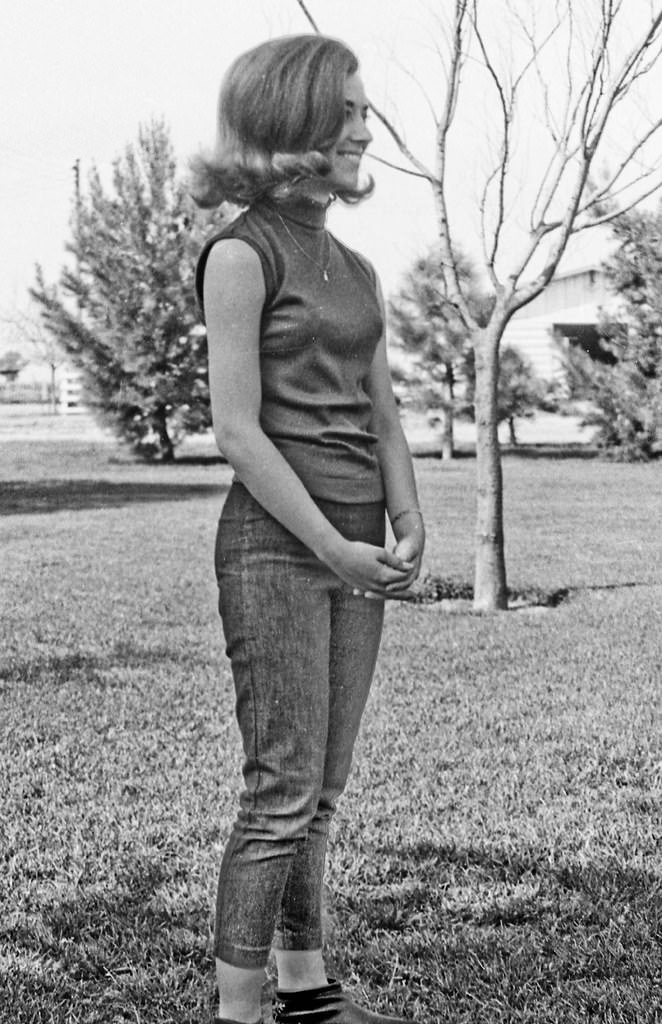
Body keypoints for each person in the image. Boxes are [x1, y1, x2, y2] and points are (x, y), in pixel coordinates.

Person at [191, 34, 425, 1024]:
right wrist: (331, 544)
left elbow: (382, 412)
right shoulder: (241, 251)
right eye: (351, 108)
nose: (368, 125)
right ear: (295, 120)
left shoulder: (358, 268)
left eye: (365, 109)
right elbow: (236, 432)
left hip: (358, 544)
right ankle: (238, 1013)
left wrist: (407, 514)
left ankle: (305, 992)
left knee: (321, 793)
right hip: (277, 548)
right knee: (279, 792)